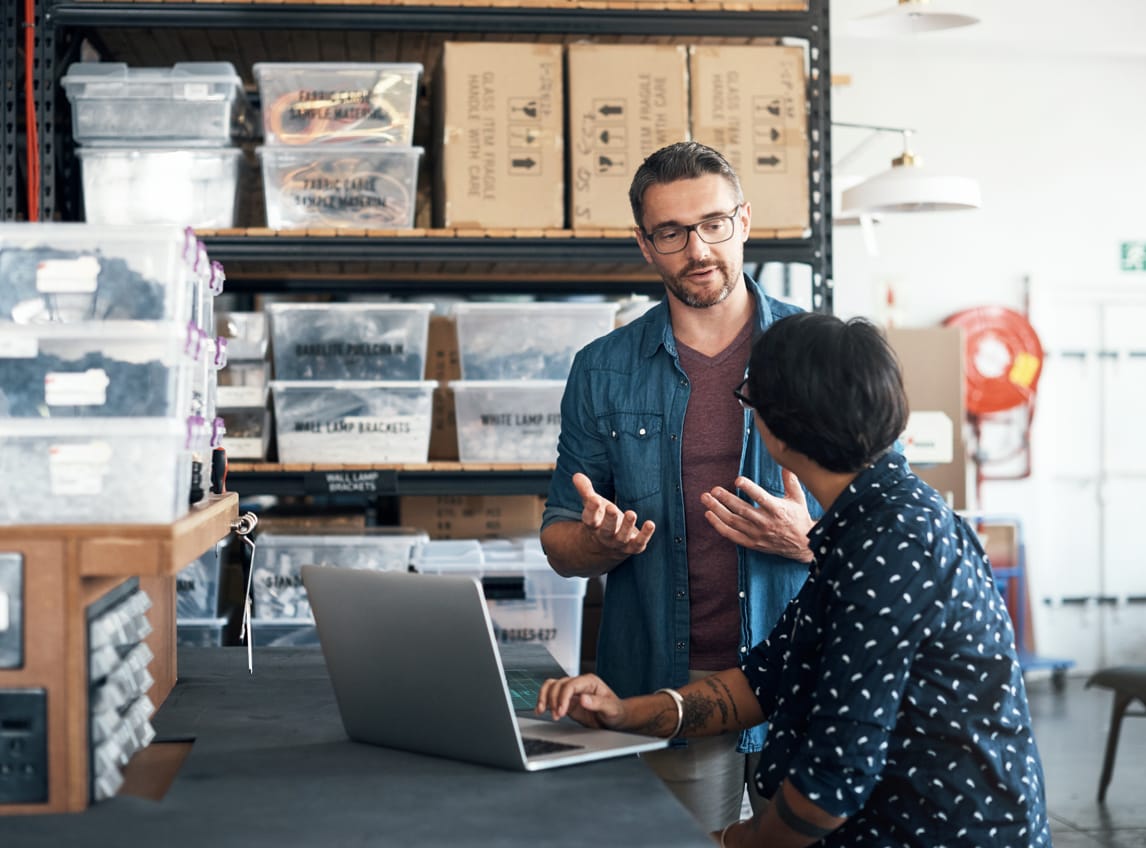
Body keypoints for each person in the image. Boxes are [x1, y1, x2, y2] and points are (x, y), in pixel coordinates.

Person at [537, 312, 1051, 847]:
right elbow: (765, 678)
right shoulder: (865, 524)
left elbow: (833, 779)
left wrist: (728, 842)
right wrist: (624, 712)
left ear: (778, 427)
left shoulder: (890, 547)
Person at [539, 140, 822, 831]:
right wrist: (598, 545)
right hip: (667, 688)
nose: (698, 249)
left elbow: (901, 527)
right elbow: (557, 541)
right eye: (672, 232)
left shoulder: (822, 351)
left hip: (809, 682)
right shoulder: (602, 369)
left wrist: (810, 540)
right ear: (645, 245)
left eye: (713, 224)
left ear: (744, 221)